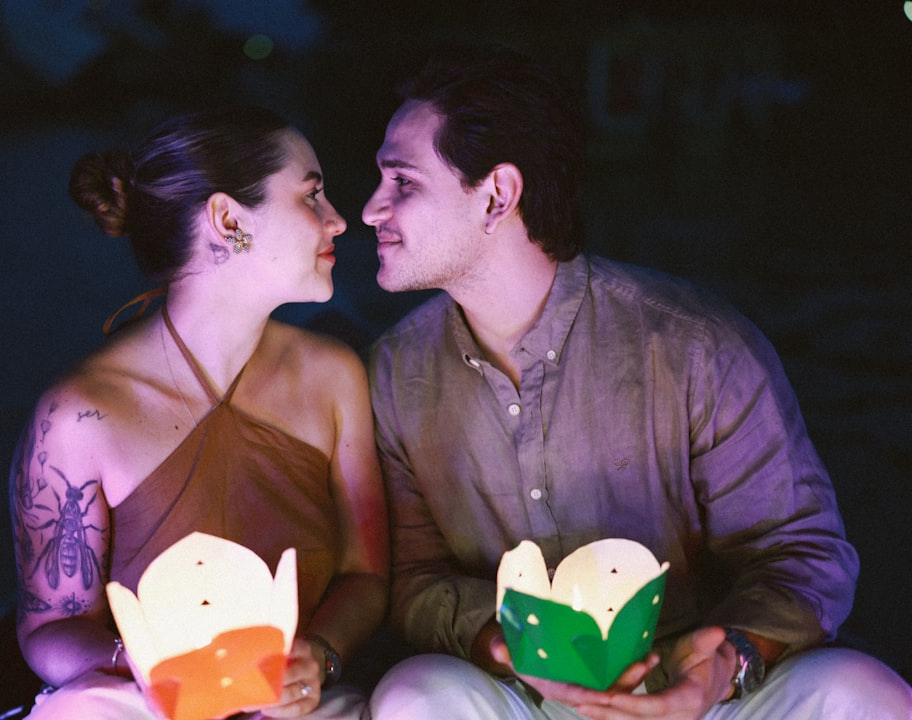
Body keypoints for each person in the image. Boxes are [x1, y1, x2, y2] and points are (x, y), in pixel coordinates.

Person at [362, 47, 912, 719]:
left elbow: (802, 551)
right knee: (415, 695)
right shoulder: (397, 371)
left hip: (702, 691)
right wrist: (501, 642)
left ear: (498, 195)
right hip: (528, 696)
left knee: (862, 693)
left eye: (402, 182)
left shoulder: (691, 345)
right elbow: (416, 578)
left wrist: (724, 662)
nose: (371, 210)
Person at [9, 105, 389, 719]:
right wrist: (145, 666)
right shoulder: (82, 414)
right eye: (311, 196)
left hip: (298, 705)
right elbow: (50, 626)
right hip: (144, 702)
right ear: (227, 219)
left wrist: (317, 659)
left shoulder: (332, 377)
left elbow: (364, 576)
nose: (339, 220)